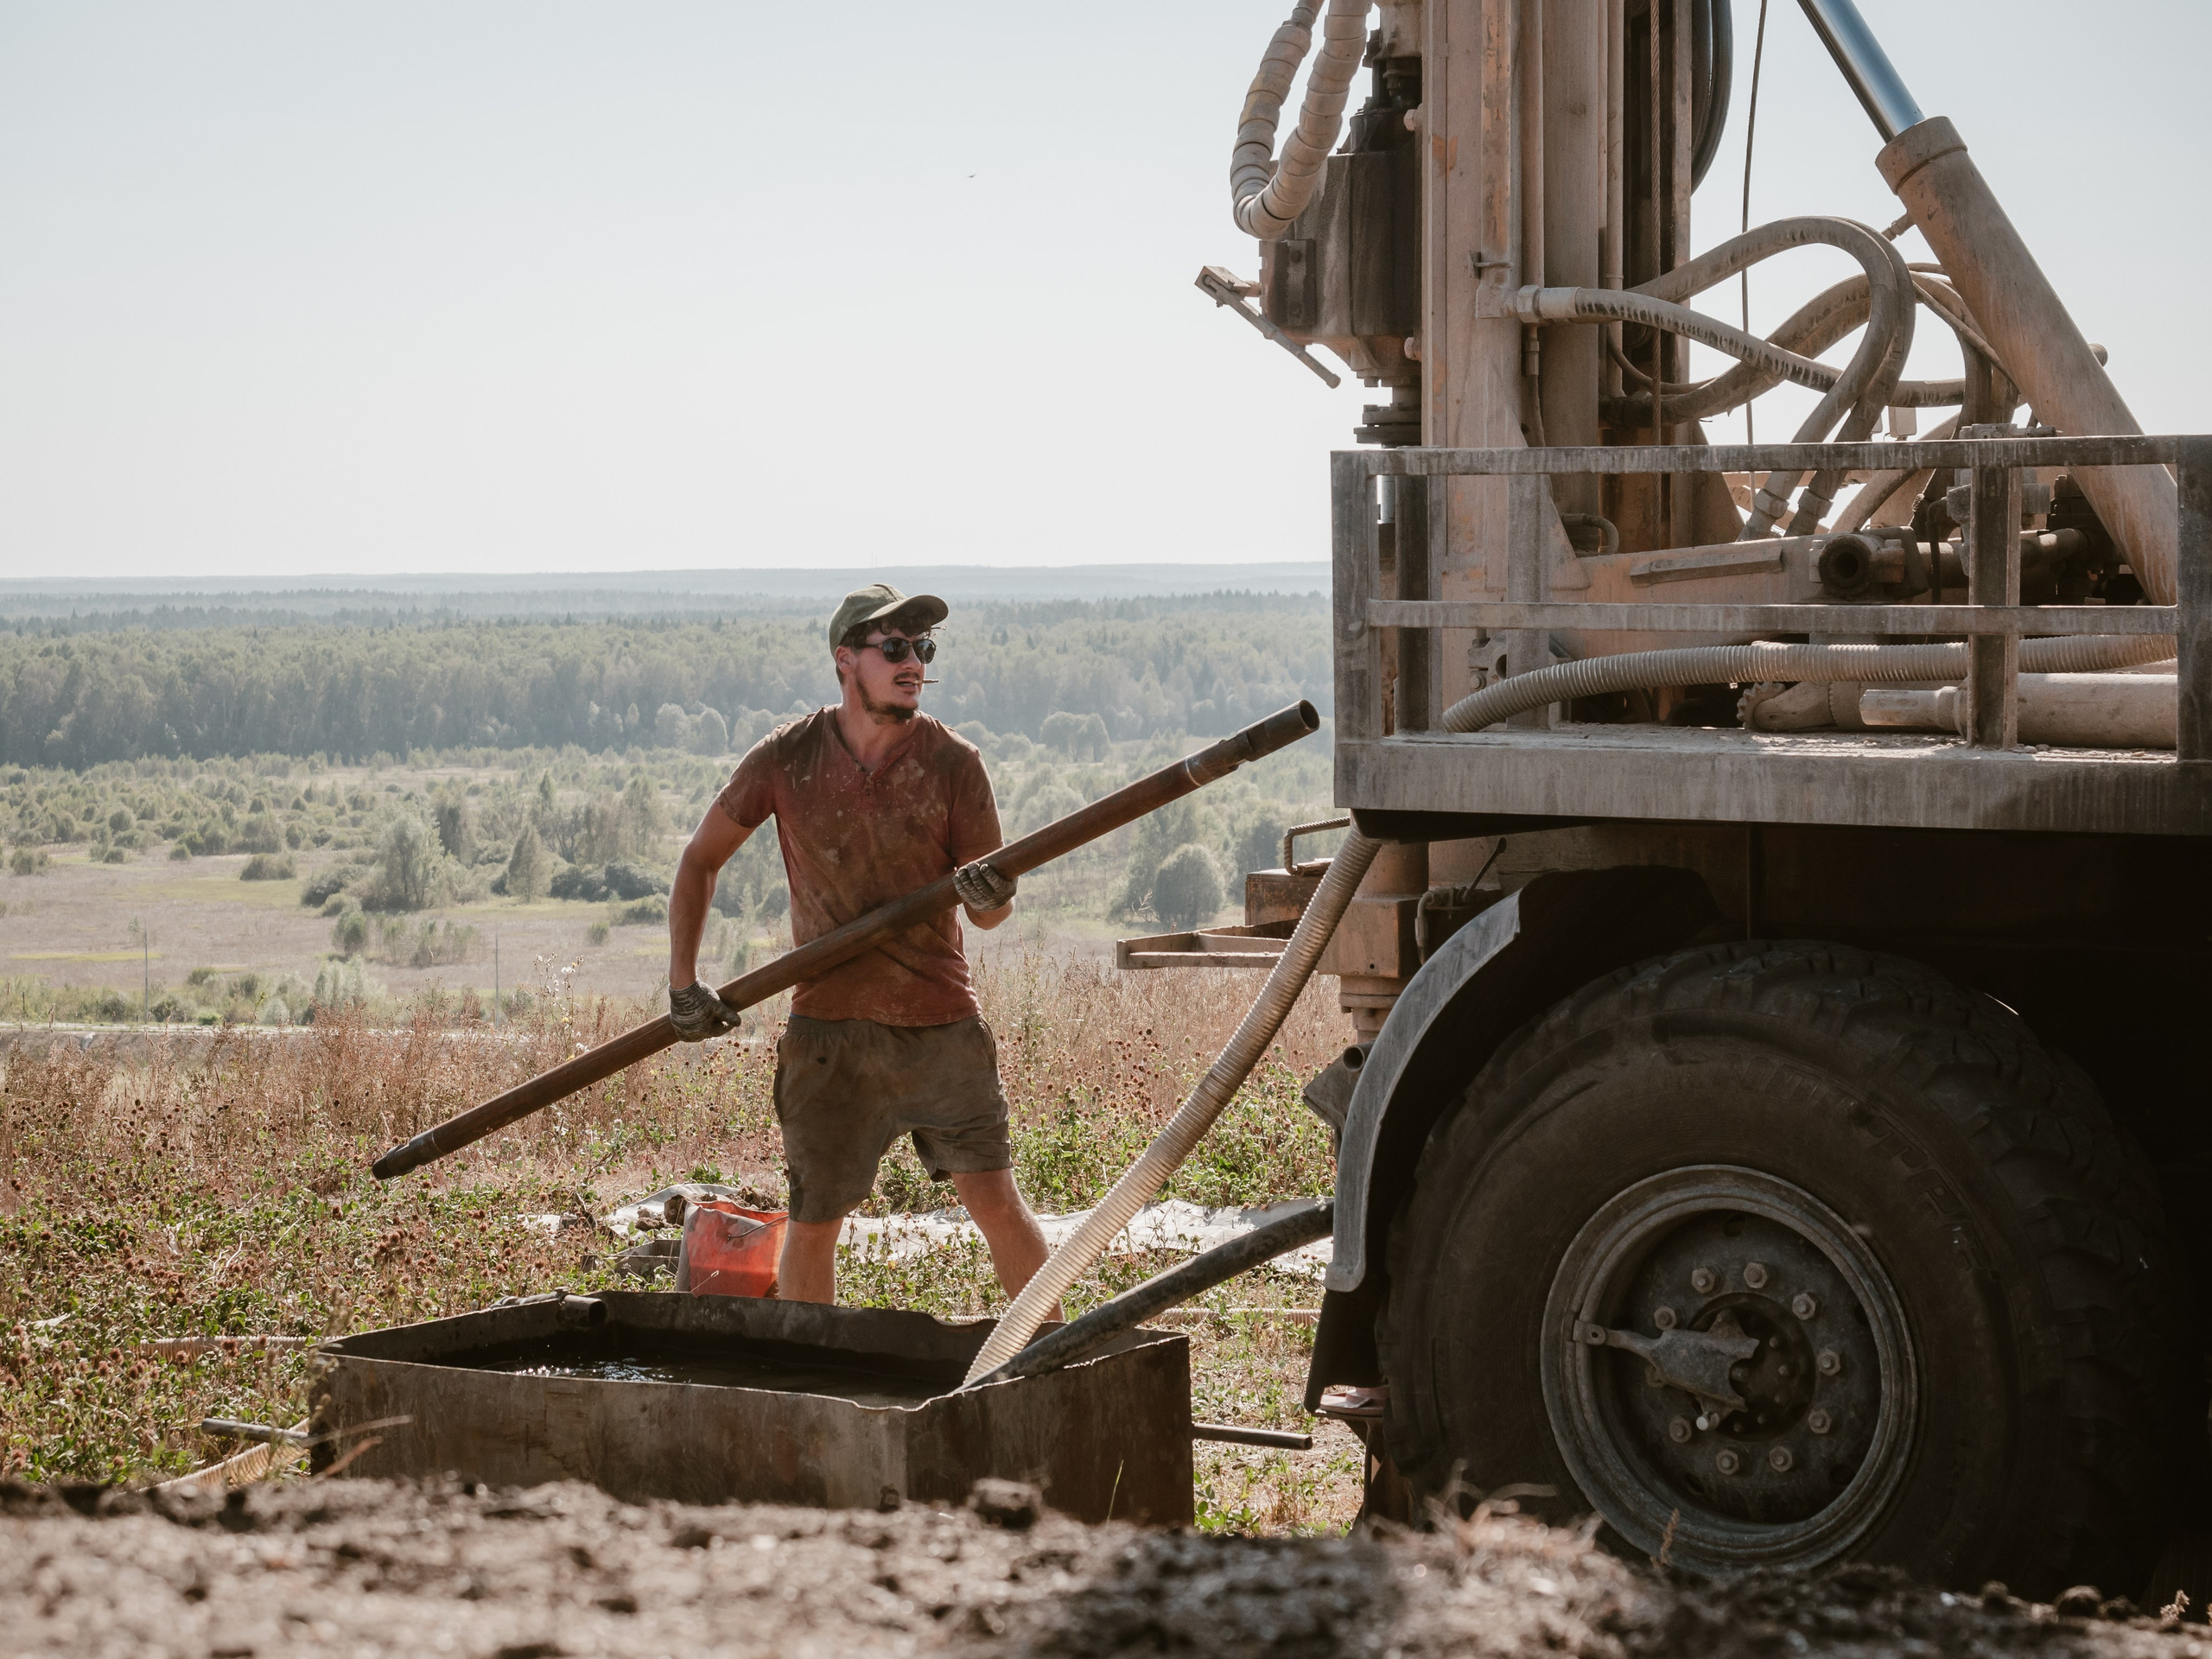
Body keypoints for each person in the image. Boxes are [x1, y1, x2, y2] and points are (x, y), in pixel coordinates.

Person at [664, 582, 1060, 1312]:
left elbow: (992, 918)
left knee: (996, 1201)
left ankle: (1055, 1365)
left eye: (923, 649)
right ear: (846, 659)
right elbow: (700, 860)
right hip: (828, 1035)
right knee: (815, 1220)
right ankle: (816, 1400)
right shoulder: (789, 757)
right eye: (895, 648)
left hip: (940, 1026)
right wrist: (683, 984)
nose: (914, 663)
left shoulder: (954, 764)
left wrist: (991, 898)